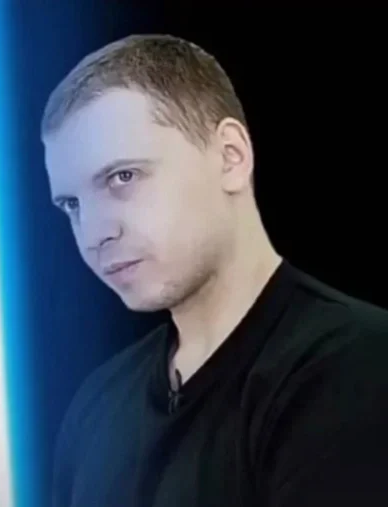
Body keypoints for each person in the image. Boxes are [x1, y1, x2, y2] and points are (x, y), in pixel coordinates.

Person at [40, 34, 388, 507]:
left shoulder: (356, 367)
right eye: (72, 204)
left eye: (123, 177)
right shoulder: (96, 408)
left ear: (230, 156)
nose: (94, 233)